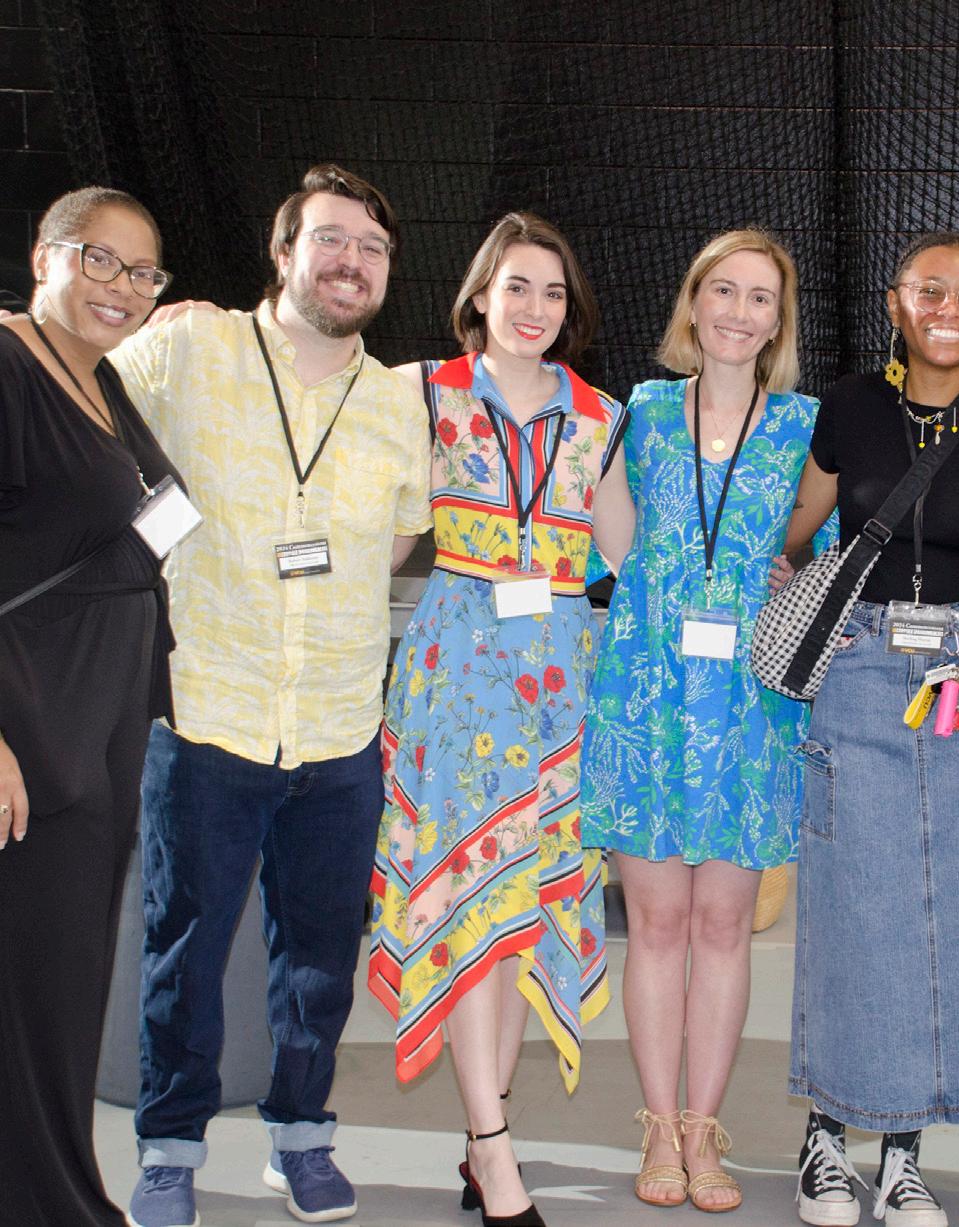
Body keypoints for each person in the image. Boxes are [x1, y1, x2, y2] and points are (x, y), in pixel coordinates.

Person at [111, 165, 433, 1227]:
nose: (351, 262)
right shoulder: (189, 349)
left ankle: (302, 1136)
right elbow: (71, 391)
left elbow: (400, 536)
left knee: (319, 960)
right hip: (209, 708)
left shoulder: (396, 402)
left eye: (372, 249)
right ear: (283, 251)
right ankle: (169, 1147)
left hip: (340, 725)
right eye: (331, 239)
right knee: (185, 950)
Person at [367, 212, 634, 1226]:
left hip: (558, 691)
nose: (535, 308)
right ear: (479, 293)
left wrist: (755, 573)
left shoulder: (601, 415)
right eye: (517, 286)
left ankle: (490, 1136)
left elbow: (633, 557)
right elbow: (380, 534)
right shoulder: (420, 392)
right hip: (455, 683)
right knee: (467, 905)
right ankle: (493, 1146)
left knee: (518, 918)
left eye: (554, 292)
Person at [581, 229, 823, 1212]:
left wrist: (797, 568)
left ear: (778, 322)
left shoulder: (807, 427)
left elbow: (827, 548)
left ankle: (703, 1132)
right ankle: (656, 1127)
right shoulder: (637, 412)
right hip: (647, 698)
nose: (738, 311)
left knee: (724, 924)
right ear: (693, 302)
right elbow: (610, 547)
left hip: (750, 705)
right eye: (723, 290)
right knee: (656, 922)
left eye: (760, 297)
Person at [782, 232, 959, 1227]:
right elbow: (795, 529)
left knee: (954, 911)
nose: (949, 309)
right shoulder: (848, 406)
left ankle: (904, 1157)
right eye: (931, 289)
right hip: (859, 667)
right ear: (895, 301)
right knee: (855, 901)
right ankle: (826, 1141)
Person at [0, 187, 179, 1227]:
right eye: (98, 260)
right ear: (44, 255)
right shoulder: (9, 366)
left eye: (142, 272)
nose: (121, 287)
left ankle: (55, 1192)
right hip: (31, 717)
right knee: (33, 987)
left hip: (102, 716)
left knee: (61, 986)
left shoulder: (99, 376)